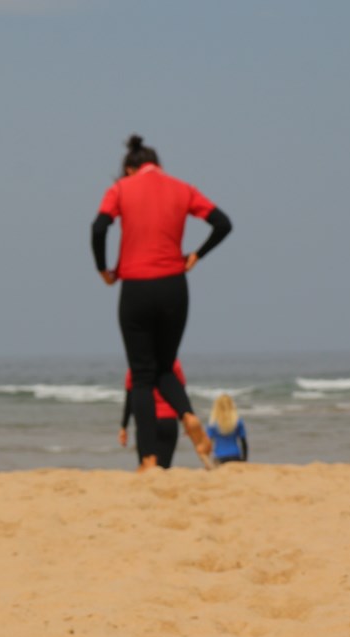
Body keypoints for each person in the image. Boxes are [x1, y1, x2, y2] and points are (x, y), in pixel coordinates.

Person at [92, 134, 232, 469]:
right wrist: (197, 254)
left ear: (129, 168)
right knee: (165, 367)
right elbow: (222, 223)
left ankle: (150, 458)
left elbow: (99, 228)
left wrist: (103, 270)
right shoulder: (182, 188)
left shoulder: (121, 189)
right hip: (174, 286)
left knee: (142, 375)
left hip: (136, 288)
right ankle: (187, 416)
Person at [120, 360, 212, 470]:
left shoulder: (138, 362)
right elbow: (179, 391)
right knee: (164, 467)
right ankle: (189, 417)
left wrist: (124, 427)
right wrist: (185, 416)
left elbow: (130, 397)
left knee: (147, 464)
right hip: (168, 420)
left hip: (146, 422)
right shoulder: (173, 362)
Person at [206, 393, 248, 464]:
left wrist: (208, 460)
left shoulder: (212, 424)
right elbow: (243, 443)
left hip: (219, 456)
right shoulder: (237, 421)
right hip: (235, 455)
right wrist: (244, 459)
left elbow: (208, 444)